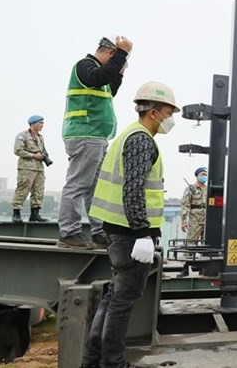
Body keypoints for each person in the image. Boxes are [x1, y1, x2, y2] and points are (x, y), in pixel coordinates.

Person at [80, 81, 179, 368]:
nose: (170, 118)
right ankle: (113, 363)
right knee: (122, 301)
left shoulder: (129, 136)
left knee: (114, 297)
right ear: (153, 112)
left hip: (118, 230)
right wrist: (143, 233)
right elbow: (133, 189)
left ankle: (93, 360)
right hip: (129, 234)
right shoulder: (140, 140)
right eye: (169, 111)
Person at [57, 36, 133, 249]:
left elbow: (110, 89)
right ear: (110, 53)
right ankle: (69, 233)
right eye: (115, 58)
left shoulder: (101, 74)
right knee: (79, 184)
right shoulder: (85, 66)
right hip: (85, 134)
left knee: (96, 188)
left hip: (96, 137)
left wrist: (120, 70)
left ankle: (99, 232)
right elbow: (97, 78)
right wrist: (122, 54)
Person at [12, 115, 49, 223]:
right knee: (22, 189)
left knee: (38, 191)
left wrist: (44, 156)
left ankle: (35, 214)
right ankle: (16, 213)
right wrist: (33, 155)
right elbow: (17, 150)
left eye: (43, 123)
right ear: (33, 123)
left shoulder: (40, 137)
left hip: (39, 168)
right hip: (26, 167)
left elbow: (42, 150)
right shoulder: (22, 135)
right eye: (40, 123)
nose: (42, 125)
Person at [176, 166, 208, 277]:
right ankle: (185, 267)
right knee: (190, 243)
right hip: (195, 219)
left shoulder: (208, 189)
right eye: (202, 174)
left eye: (205, 174)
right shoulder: (190, 189)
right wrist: (184, 221)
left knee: (206, 244)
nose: (204, 176)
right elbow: (185, 205)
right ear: (197, 176)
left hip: (207, 219)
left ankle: (203, 268)